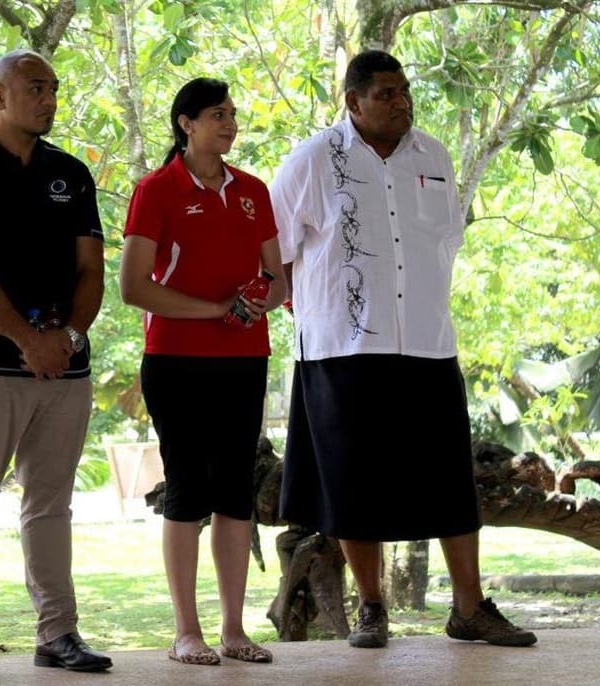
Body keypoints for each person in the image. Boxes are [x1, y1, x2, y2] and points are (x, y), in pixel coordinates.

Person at [268, 50, 537, 650]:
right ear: (353, 101)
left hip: (426, 345)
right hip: (341, 350)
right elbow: (275, 253)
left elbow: (446, 241)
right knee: (350, 485)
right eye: (386, 93)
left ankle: (469, 610)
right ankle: (371, 608)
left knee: (448, 481)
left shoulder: (434, 156)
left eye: (404, 91)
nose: (401, 102)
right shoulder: (313, 161)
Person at [0, 49, 112, 682]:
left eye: (54, 88)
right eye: (35, 88)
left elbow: (93, 269)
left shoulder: (73, 173)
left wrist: (64, 335)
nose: (48, 98)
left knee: (51, 505)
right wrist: (25, 339)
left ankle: (57, 633)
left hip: (64, 368)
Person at [119, 77, 286, 666]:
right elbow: (133, 287)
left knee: (236, 492)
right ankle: (186, 631)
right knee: (187, 489)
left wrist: (259, 298)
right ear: (187, 124)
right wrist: (215, 309)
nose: (230, 125)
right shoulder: (156, 189)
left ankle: (234, 630)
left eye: (233, 115)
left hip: (245, 359)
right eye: (218, 114)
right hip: (176, 360)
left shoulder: (254, 191)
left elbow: (279, 277)